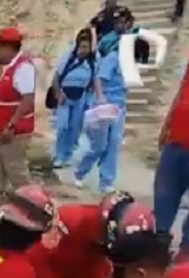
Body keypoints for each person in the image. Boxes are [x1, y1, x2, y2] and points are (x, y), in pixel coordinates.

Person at [154, 41, 189, 264]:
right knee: (164, 194)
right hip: (177, 140)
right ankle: (158, 242)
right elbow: (183, 89)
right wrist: (167, 124)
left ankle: (188, 251)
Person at [0, 27, 35, 224]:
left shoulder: (22, 68)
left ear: (8, 47)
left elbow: (28, 99)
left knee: (17, 173)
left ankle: (32, 210)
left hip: (13, 133)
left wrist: (12, 125)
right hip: (1, 132)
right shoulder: (9, 68)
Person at [74, 25, 127, 193]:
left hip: (119, 107)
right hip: (104, 105)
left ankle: (106, 181)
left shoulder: (129, 63)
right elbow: (99, 79)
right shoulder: (113, 58)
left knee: (113, 144)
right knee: (99, 145)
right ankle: (80, 172)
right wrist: (100, 98)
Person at [52, 29, 102, 168]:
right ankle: (59, 154)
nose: (83, 50)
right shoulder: (68, 58)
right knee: (62, 127)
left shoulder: (93, 61)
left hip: (81, 97)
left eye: (86, 47)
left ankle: (67, 155)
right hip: (65, 95)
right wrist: (58, 94)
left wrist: (96, 97)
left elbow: (95, 79)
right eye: (81, 46)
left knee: (75, 127)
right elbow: (56, 77)